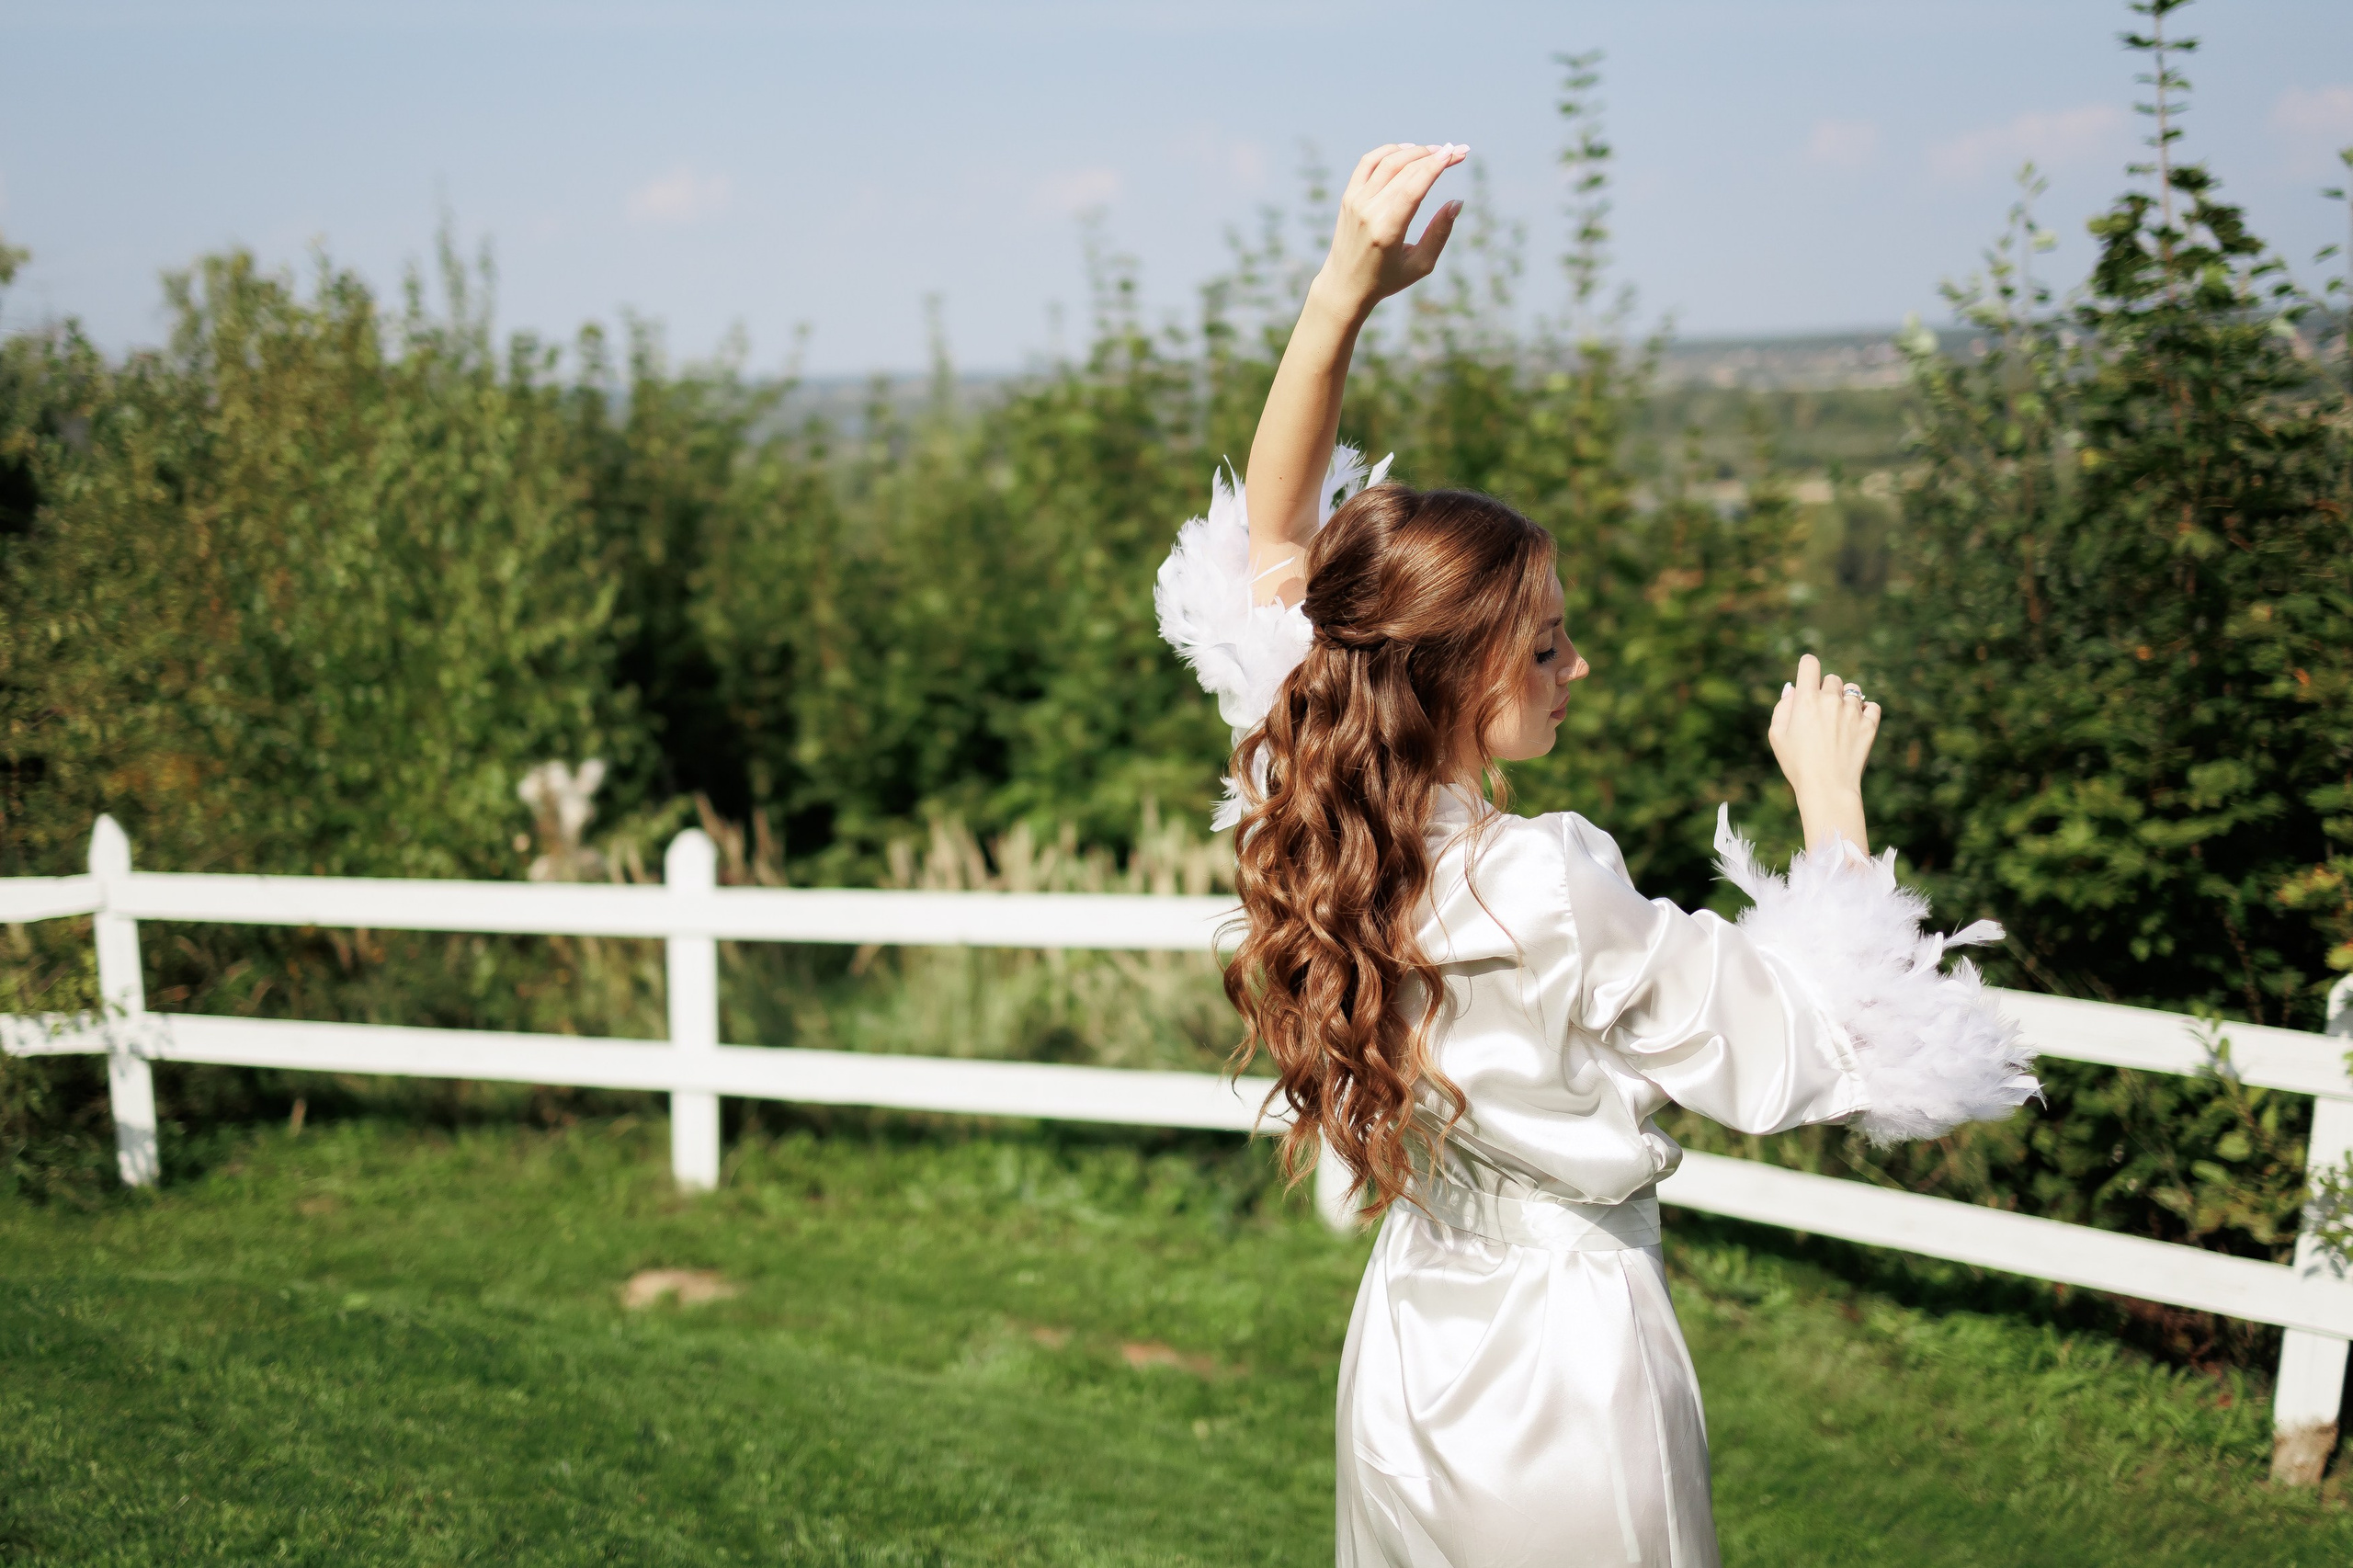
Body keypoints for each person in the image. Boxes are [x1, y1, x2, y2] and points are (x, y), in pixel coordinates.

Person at [1153, 143, 2040, 1568]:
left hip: (1410, 1340)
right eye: (1546, 640)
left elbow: (1272, 540)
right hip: (1569, 1362)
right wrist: (1829, 802)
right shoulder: (1544, 879)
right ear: (1451, 676)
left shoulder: (1322, 791)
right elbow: (1827, 1046)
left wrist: (1344, 288)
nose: (1580, 662)